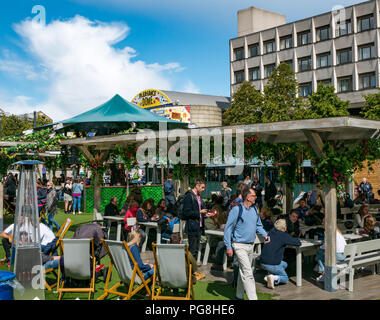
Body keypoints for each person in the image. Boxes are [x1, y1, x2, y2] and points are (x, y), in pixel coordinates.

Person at [224, 188, 270, 300]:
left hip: (250, 245)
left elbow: (258, 225)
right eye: (254, 195)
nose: (256, 197)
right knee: (248, 273)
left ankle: (238, 296)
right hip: (239, 245)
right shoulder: (236, 210)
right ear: (248, 197)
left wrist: (265, 235)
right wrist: (228, 246)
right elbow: (228, 229)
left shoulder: (254, 209)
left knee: (243, 272)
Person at [260, 219, 301, 289]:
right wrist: (297, 238)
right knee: (285, 278)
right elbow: (298, 243)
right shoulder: (283, 235)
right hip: (272, 263)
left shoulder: (270, 232)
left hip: (262, 261)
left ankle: (270, 274)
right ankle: (272, 277)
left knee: (285, 264)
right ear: (284, 228)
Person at [183, 179, 208, 259]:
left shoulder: (198, 196)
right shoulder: (189, 196)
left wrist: (206, 214)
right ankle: (189, 269)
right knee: (192, 249)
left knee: (196, 249)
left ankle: (192, 268)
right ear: (197, 186)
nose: (203, 190)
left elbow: (200, 210)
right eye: (202, 187)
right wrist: (199, 212)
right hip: (192, 225)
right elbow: (186, 212)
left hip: (199, 226)